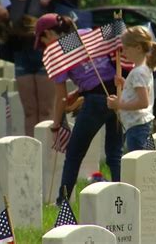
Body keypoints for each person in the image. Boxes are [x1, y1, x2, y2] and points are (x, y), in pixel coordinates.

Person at [35, 14, 123, 201]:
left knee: (74, 154)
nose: (44, 47)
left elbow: (60, 97)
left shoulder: (58, 53)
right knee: (115, 154)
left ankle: (62, 202)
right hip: (117, 95)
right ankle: (121, 198)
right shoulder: (84, 34)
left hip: (95, 103)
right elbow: (94, 69)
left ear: (49, 33)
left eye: (43, 40)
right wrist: (81, 90)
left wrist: (56, 124)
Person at [7, 0, 81, 136]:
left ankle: (46, 148)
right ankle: (29, 150)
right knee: (29, 110)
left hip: (45, 55)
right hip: (22, 55)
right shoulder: (9, 0)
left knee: (46, 109)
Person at [107, 26, 156, 151]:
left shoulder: (138, 72)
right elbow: (139, 91)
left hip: (138, 127)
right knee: (145, 161)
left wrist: (119, 104)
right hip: (142, 125)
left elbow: (143, 102)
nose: (123, 52)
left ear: (138, 48)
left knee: (138, 166)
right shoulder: (143, 69)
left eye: (126, 48)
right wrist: (125, 83)